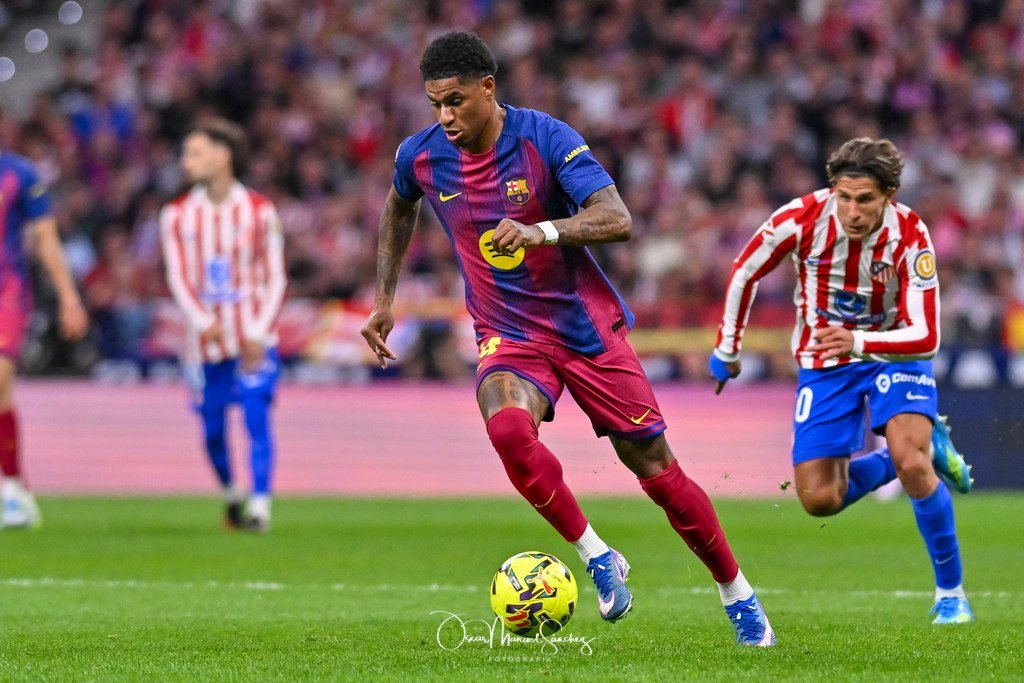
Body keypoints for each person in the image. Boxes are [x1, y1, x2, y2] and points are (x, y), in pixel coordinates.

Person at [361, 31, 775, 646]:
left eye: (455, 101)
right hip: (508, 333)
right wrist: (384, 300)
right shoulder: (419, 156)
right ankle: (599, 556)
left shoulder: (546, 138)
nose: (445, 116)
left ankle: (737, 592)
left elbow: (618, 218)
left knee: (656, 469)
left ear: (488, 88)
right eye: (435, 104)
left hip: (584, 330)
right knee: (507, 430)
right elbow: (399, 208)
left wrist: (542, 231)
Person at [709, 137, 974, 625]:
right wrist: (728, 348)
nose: (852, 211)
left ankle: (950, 594)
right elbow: (745, 271)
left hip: (894, 351)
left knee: (912, 463)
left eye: (865, 199)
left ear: (889, 195)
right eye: (844, 197)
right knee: (820, 499)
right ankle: (919, 450)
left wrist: (858, 341)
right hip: (825, 360)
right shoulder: (801, 218)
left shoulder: (911, 234)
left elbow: (928, 336)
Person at [160, 119, 286, 533]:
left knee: (256, 418)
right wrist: (202, 321)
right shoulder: (177, 215)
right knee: (213, 429)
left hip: (253, 336)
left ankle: (260, 507)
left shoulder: (260, 211)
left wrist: (258, 331)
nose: (186, 162)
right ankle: (233, 494)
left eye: (195, 153)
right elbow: (178, 276)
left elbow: (276, 276)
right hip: (206, 343)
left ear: (222, 156)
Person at [0, 150, 89, 528]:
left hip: (6, 292)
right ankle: (14, 486)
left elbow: (46, 238)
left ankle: (11, 489)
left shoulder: (19, 173)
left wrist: (69, 296)